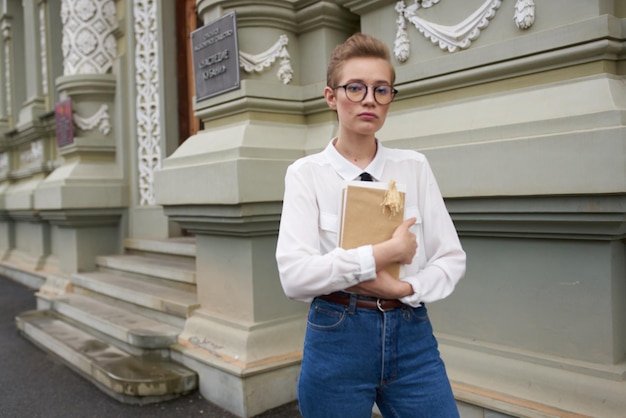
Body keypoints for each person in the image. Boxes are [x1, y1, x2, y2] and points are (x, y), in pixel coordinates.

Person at [275, 33, 466, 418]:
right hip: (337, 336)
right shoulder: (306, 174)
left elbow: (451, 258)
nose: (369, 100)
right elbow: (294, 276)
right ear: (332, 97)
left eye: (382, 90)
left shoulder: (414, 167)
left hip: (412, 335)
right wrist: (384, 254)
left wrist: (404, 286)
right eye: (356, 88)